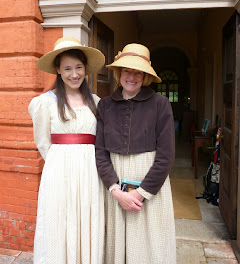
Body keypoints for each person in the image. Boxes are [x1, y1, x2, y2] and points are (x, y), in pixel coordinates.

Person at [95, 43, 176, 264]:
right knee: (117, 244)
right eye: (127, 71)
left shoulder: (161, 105)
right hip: (114, 184)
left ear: (145, 76)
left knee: (149, 245)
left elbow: (166, 156)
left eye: (137, 72)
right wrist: (115, 190)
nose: (132, 77)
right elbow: (100, 153)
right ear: (119, 73)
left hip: (150, 185)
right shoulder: (105, 105)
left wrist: (140, 193)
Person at [28, 37, 105, 264]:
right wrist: (61, 164)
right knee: (59, 220)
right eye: (68, 68)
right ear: (58, 71)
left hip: (91, 173)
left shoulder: (97, 102)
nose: (74, 74)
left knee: (86, 219)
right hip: (59, 173)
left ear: (85, 69)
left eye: (79, 67)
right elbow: (43, 142)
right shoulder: (46, 103)